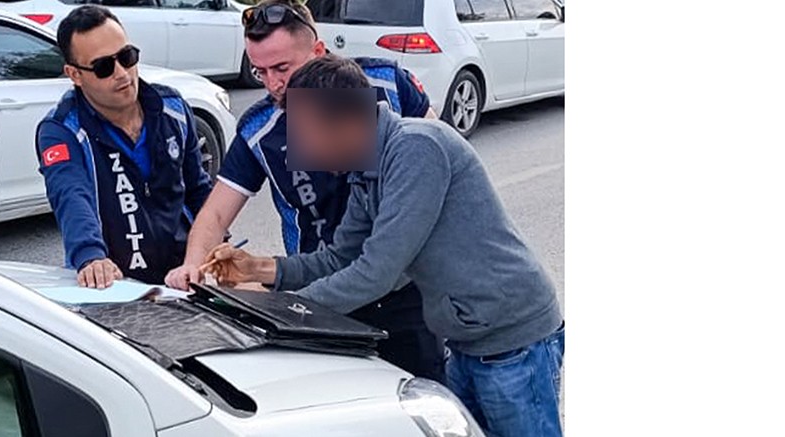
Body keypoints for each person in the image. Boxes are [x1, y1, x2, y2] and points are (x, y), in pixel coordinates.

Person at [203, 55, 565, 437]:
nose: (307, 157)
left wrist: (286, 314)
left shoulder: (416, 149)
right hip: (468, 339)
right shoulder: (366, 170)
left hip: (513, 343)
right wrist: (257, 268)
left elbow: (377, 272)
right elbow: (339, 257)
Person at [164, 0, 444, 382]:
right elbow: (214, 214)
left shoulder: (387, 83)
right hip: (321, 286)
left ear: (318, 50)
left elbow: (440, 158)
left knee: (426, 395)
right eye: (260, 71)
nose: (273, 84)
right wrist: (193, 265)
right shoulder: (260, 128)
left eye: (282, 68)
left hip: (405, 289)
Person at [35, 5, 212, 289]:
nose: (122, 73)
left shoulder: (174, 108)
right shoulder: (62, 130)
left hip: (185, 278)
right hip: (116, 286)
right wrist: (90, 257)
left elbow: (198, 188)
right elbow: (70, 195)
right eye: (103, 67)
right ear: (74, 74)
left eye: (127, 57)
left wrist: (218, 243)